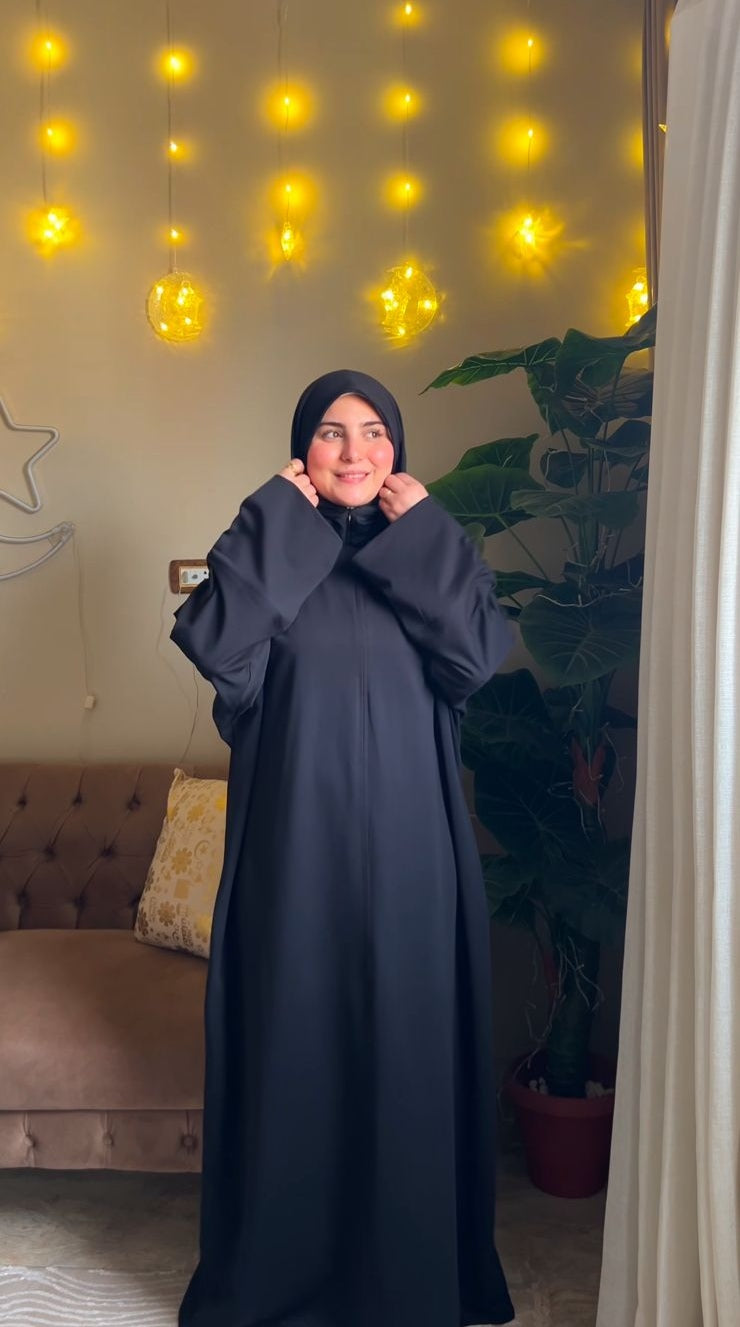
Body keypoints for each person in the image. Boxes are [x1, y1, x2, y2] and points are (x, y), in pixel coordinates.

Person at [170, 368, 517, 1327]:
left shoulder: (426, 552)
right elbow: (215, 644)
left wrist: (425, 532)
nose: (355, 450)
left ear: (396, 450)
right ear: (302, 451)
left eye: (373, 431)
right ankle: (286, 1276)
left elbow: (475, 657)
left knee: (409, 1047)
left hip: (413, 856)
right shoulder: (274, 554)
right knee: (298, 1043)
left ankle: (408, 1276)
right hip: (296, 854)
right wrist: (277, 522)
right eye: (331, 432)